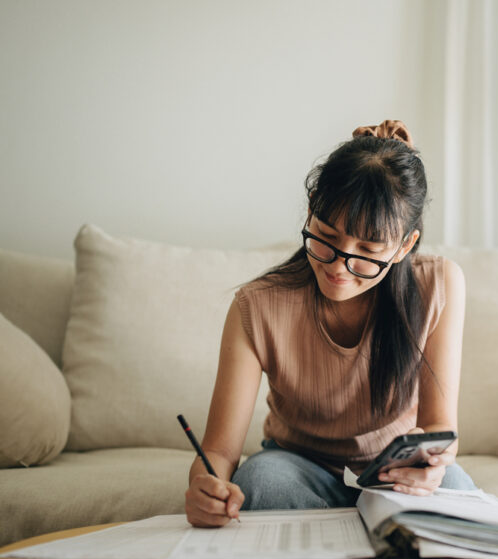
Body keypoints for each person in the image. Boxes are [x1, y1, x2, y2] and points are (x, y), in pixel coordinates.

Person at [185, 120, 476, 528]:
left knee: (462, 503)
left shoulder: (439, 284)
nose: (340, 267)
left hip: (394, 471)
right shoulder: (257, 306)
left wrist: (434, 464)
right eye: (325, 236)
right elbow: (218, 451)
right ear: (310, 209)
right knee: (261, 483)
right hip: (296, 465)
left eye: (368, 250)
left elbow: (440, 427)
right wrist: (205, 483)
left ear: (404, 246)